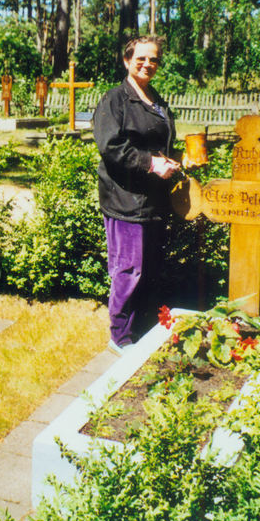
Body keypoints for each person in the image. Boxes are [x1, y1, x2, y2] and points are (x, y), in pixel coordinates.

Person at [93, 36, 179, 356]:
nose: (147, 64)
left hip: (154, 200)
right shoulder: (115, 100)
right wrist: (151, 164)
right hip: (125, 199)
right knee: (129, 269)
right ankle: (120, 337)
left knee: (150, 269)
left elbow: (160, 144)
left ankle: (140, 328)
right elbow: (112, 147)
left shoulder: (156, 100)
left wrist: (173, 160)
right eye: (141, 58)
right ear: (127, 61)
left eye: (154, 59)